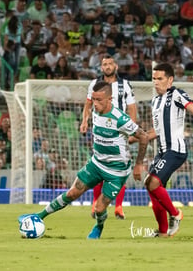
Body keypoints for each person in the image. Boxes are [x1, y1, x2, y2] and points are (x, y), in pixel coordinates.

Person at [18, 81, 149, 239]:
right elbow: (88, 110)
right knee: (72, 192)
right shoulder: (95, 110)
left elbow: (144, 136)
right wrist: (84, 121)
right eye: (93, 99)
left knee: (99, 209)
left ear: (110, 99)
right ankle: (39, 215)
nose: (95, 103)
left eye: (99, 100)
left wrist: (138, 164)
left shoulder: (120, 119)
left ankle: (99, 227)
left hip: (117, 171)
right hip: (96, 163)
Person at [140, 63, 193, 237]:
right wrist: (138, 137)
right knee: (149, 185)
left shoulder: (176, 94)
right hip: (163, 151)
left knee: (154, 182)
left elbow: (192, 107)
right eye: (154, 79)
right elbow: (158, 130)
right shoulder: (155, 102)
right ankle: (163, 231)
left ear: (170, 80)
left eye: (160, 79)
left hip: (176, 149)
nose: (156, 82)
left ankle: (176, 214)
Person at [80, 54, 137, 220]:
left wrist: (132, 128)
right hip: (100, 128)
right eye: (104, 64)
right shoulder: (95, 84)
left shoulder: (125, 85)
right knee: (100, 164)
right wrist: (85, 121)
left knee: (120, 166)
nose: (107, 66)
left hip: (120, 130)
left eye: (110, 64)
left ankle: (118, 206)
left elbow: (132, 107)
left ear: (116, 66)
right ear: (101, 67)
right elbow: (88, 104)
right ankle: (95, 203)